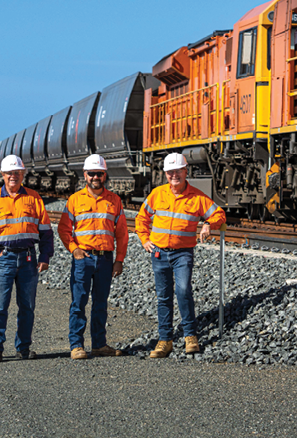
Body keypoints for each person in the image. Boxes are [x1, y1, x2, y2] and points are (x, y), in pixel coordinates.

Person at [135, 152, 224, 358]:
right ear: (166, 174)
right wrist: (145, 240)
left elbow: (218, 213)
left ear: (186, 172)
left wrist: (209, 224)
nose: (174, 175)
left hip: (182, 253)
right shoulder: (157, 194)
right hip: (158, 253)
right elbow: (142, 218)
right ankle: (165, 340)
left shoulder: (197, 197)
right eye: (170, 172)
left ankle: (190, 336)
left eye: (178, 171)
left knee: (183, 291)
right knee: (163, 296)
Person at [0, 154, 53, 362]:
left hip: (28, 260)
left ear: (23, 174)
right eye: (10, 173)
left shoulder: (34, 197)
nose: (13, 176)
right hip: (4, 259)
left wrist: (45, 256)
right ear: (2, 175)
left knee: (27, 307)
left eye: (17, 173)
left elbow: (46, 231)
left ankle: (24, 348)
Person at [57, 154, 128, 360]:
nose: (95, 177)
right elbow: (64, 229)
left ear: (104, 175)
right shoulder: (74, 200)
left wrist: (119, 259)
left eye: (99, 173)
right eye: (92, 174)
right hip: (83, 259)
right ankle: (77, 345)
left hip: (105, 259)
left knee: (100, 303)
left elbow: (122, 233)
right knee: (79, 302)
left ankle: (98, 344)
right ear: (84, 175)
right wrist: (74, 249)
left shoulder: (114, 200)